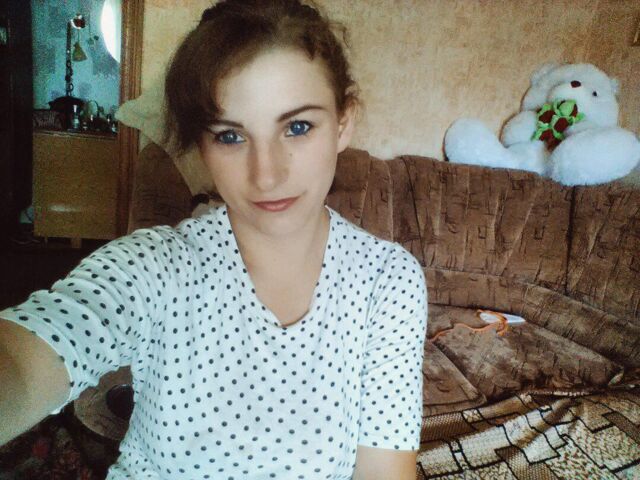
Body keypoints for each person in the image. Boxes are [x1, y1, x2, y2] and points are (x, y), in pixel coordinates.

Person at [0, 1, 428, 478]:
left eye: (298, 127)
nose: (267, 175)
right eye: (230, 136)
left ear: (344, 122)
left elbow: (385, 470)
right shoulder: (155, 266)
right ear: (202, 145)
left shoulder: (388, 279)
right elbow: (27, 357)